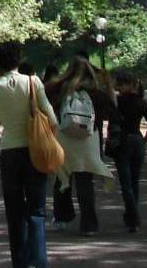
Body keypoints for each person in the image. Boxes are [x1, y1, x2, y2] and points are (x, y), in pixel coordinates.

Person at [0, 42, 56, 268]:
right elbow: (52, 118)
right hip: (34, 150)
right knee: (36, 211)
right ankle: (40, 261)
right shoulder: (32, 81)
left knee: (14, 212)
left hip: (10, 153)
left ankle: (20, 262)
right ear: (18, 59)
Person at [45, 57, 119, 236]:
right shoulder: (95, 93)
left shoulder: (58, 89)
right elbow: (114, 113)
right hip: (87, 141)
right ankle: (89, 225)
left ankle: (62, 217)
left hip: (63, 139)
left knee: (62, 179)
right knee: (85, 183)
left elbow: (45, 108)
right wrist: (108, 87)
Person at [109, 71, 147, 233]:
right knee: (134, 180)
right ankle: (132, 214)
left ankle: (132, 216)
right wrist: (144, 140)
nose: (117, 86)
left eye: (119, 84)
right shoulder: (142, 102)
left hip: (123, 142)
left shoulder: (118, 102)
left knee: (126, 183)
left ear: (125, 85)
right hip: (137, 140)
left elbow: (110, 117)